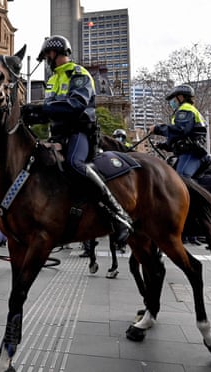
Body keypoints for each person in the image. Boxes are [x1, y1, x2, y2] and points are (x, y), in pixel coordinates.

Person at [21, 34, 132, 249]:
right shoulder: (53, 80)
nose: (46, 60)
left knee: (74, 164)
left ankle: (118, 214)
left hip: (80, 133)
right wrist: (29, 115)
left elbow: (75, 105)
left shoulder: (79, 75)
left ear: (55, 53)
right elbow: (49, 112)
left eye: (47, 56)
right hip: (58, 135)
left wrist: (43, 108)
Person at [149, 84, 209, 178]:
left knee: (181, 178)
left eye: (173, 98)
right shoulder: (183, 111)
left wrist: (157, 129)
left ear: (180, 97)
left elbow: (180, 130)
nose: (171, 102)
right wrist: (164, 145)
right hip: (185, 152)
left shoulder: (186, 109)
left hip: (192, 153)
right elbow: (179, 136)